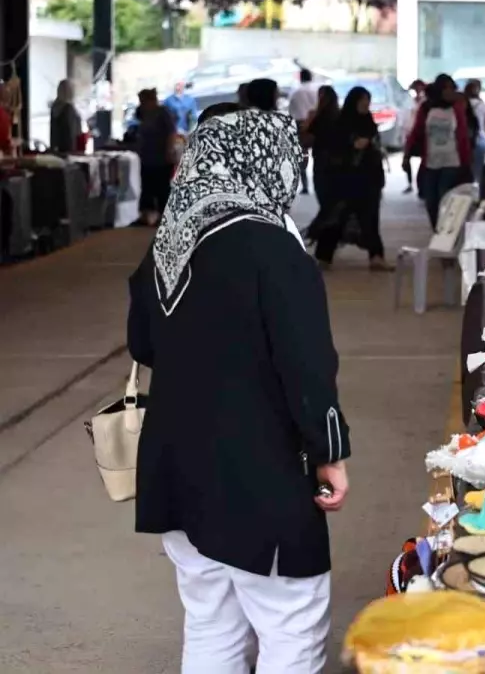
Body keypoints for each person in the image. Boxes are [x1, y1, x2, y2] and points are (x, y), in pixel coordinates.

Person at [128, 108, 351, 674]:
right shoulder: (273, 248)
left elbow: (142, 344)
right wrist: (330, 454)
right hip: (257, 474)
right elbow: (308, 367)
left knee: (211, 625)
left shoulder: (170, 240)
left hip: (177, 467)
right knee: (291, 626)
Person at [314, 86, 390, 270]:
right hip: (346, 180)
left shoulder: (369, 122)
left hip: (368, 179)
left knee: (371, 218)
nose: (365, 104)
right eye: (362, 101)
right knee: (337, 217)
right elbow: (333, 149)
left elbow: (376, 149)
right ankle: (324, 256)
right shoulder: (341, 124)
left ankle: (376, 256)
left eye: (367, 101)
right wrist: (352, 145)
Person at [405, 73, 472, 228]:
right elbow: (417, 131)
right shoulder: (427, 108)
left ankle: (445, 231)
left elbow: (462, 137)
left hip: (452, 161)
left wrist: (466, 162)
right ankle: (437, 229)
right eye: (446, 89)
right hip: (431, 162)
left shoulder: (457, 108)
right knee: (431, 200)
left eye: (452, 89)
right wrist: (407, 155)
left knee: (445, 197)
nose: (450, 92)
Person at [303, 85, 343, 239]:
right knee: (331, 201)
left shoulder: (318, 117)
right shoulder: (340, 115)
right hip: (337, 164)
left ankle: (320, 233)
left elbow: (307, 140)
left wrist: (307, 123)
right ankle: (326, 233)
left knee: (326, 200)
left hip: (322, 163)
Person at [135, 89, 179, 227]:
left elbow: (171, 133)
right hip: (147, 156)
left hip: (161, 157)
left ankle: (164, 217)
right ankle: (145, 215)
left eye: (143, 101)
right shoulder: (143, 113)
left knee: (162, 189)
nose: (141, 104)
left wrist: (169, 151)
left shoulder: (163, 112)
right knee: (146, 188)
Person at [288, 70, 320, 195]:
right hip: (317, 124)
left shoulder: (296, 92)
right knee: (318, 153)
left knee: (302, 155)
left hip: (300, 124)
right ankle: (319, 181)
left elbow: (291, 110)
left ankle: (305, 185)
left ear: (300, 77)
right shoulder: (317, 90)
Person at [464, 79, 485, 185]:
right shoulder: (482, 105)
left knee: (468, 171)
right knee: (480, 171)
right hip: (482, 140)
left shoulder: (462, 104)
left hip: (467, 141)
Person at [49, 79, 83, 154]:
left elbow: (53, 131)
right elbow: (73, 131)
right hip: (70, 148)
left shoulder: (55, 107)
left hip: (57, 148)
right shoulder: (69, 108)